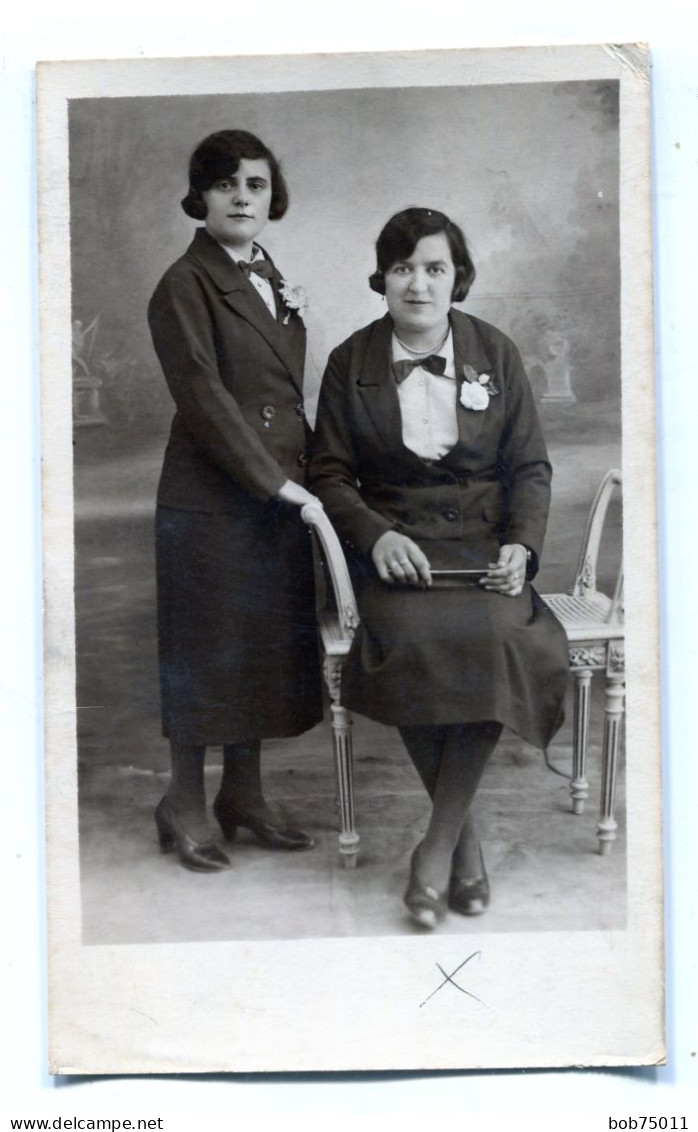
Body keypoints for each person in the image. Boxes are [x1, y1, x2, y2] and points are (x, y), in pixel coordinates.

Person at [310, 207, 569, 927]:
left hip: (484, 551)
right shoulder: (350, 362)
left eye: (434, 268)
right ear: (382, 279)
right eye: (402, 268)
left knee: (495, 640)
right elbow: (330, 473)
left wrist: (520, 546)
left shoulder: (497, 351)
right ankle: (463, 846)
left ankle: (436, 849)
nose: (417, 284)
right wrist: (375, 536)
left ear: (457, 279)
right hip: (400, 551)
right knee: (411, 642)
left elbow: (531, 467)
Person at [147, 129, 323, 872]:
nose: (242, 196)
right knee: (204, 652)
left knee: (257, 649)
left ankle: (242, 795)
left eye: (255, 183)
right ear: (202, 197)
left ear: (269, 195)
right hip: (213, 499)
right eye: (226, 184)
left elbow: (281, 394)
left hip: (273, 494)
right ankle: (184, 800)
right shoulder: (183, 284)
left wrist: (306, 481)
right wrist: (280, 486)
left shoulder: (267, 273)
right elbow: (208, 400)